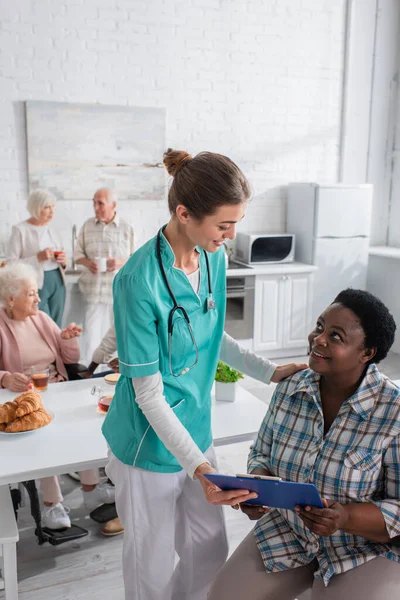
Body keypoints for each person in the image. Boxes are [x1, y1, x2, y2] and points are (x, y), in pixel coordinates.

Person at [102, 148, 307, 600]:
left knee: (208, 549)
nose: (231, 236)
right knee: (150, 564)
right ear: (183, 213)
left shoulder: (212, 257)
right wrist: (201, 469)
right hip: (146, 445)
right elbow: (148, 395)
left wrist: (271, 372)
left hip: (196, 428)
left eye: (235, 223)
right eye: (224, 225)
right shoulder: (137, 282)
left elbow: (214, 336)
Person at [208, 289, 400, 600]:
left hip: (363, 546)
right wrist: (257, 488)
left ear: (366, 353)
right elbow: (262, 452)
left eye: (336, 336)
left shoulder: (394, 412)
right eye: (320, 326)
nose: (318, 339)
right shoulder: (290, 388)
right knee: (223, 595)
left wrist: (346, 518)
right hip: (290, 531)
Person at [0, 262, 115, 529]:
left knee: (85, 426)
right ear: (10, 299)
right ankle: (52, 505)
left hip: (60, 388)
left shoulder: (41, 318)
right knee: (42, 438)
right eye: (31, 293)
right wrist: (5, 376)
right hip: (25, 398)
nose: (39, 298)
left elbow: (70, 359)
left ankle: (91, 490)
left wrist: (66, 339)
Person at [73, 188, 134, 364]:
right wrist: (87, 262)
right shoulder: (87, 226)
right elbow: (77, 255)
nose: (96, 207)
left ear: (113, 205)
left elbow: (134, 259)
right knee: (90, 335)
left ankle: (108, 374)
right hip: (92, 291)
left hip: (117, 292)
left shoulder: (127, 228)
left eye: (100, 203)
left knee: (115, 337)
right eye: (94, 202)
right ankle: (88, 373)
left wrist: (119, 263)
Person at [7, 189, 67, 327]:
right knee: (42, 324)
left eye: (53, 207)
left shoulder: (53, 229)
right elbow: (11, 263)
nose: (52, 212)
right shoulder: (20, 230)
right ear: (35, 208)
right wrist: (37, 258)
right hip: (35, 282)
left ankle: (57, 349)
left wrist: (63, 261)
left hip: (57, 280)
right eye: (47, 207)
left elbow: (62, 255)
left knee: (57, 324)